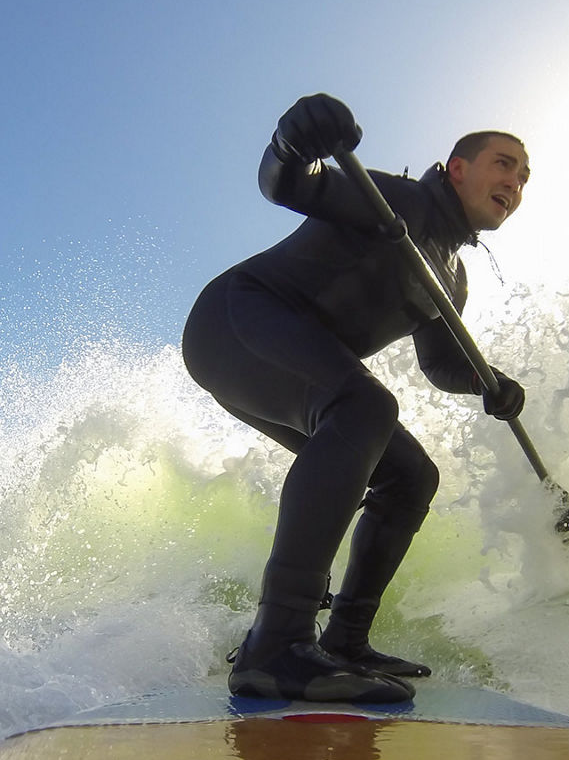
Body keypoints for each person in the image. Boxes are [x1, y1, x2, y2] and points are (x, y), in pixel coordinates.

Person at [182, 93, 529, 705]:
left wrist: (488, 382)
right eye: (503, 164)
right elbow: (289, 184)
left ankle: (343, 640)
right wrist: (293, 141)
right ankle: (277, 645)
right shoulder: (396, 200)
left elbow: (441, 363)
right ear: (458, 168)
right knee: (365, 406)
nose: (515, 182)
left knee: (410, 476)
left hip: (298, 363)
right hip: (235, 323)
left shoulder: (451, 275)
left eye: (523, 178)